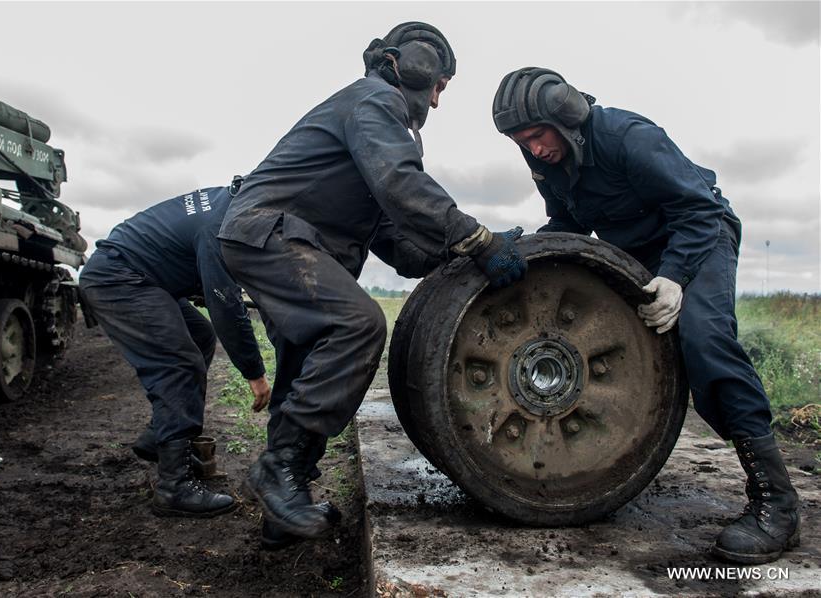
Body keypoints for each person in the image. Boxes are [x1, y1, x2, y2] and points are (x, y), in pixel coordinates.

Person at [219, 22, 527, 544]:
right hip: (269, 231)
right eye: (439, 86)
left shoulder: (371, 135)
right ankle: (279, 470)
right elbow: (402, 185)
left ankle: (283, 505)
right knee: (357, 325)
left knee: (303, 361)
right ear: (411, 66)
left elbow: (403, 248)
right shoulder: (372, 100)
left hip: (277, 238)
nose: (436, 99)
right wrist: (476, 239)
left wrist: (462, 255)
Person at [491, 67, 800, 564]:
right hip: (636, 254)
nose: (534, 149)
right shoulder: (547, 164)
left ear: (564, 117)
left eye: (537, 135)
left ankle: (777, 505)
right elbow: (570, 223)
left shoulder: (628, 137)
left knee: (705, 343)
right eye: (521, 142)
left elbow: (698, 210)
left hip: (698, 239)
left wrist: (676, 276)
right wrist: (529, 249)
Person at [78, 181, 272, 518]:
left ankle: (161, 437)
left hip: (140, 274)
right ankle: (174, 486)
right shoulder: (222, 227)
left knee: (200, 335)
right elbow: (226, 306)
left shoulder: (224, 200)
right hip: (118, 277)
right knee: (178, 363)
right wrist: (254, 373)